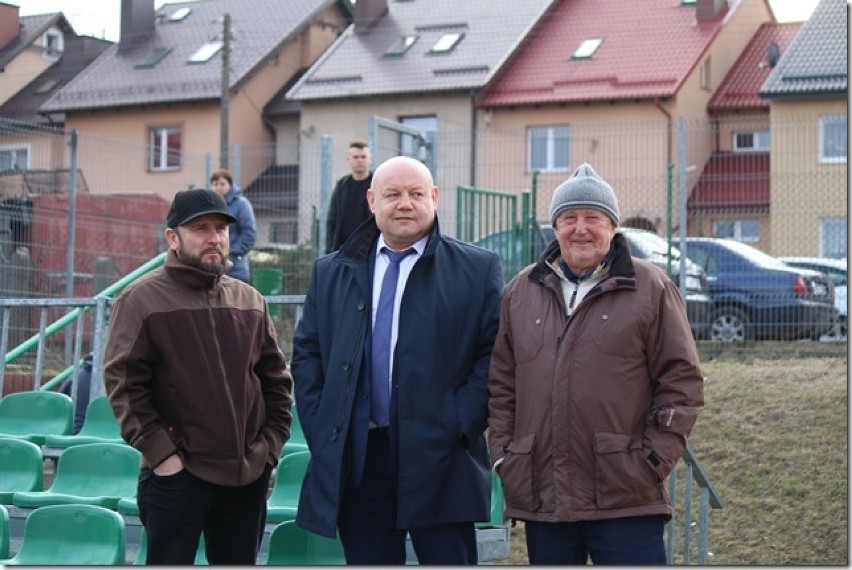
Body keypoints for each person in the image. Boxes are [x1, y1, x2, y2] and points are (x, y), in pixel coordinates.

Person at [487, 163, 704, 565]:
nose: (580, 228)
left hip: (625, 497)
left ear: (613, 226)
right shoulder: (520, 292)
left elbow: (682, 381)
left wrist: (652, 460)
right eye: (569, 218)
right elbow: (502, 385)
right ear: (555, 227)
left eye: (593, 218)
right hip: (544, 498)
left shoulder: (650, 287)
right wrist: (506, 457)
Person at [291, 155, 504, 564]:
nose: (405, 203)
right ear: (372, 201)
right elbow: (308, 355)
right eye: (392, 194)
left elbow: (492, 357)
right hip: (360, 460)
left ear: (435, 198)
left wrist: (459, 423)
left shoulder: (477, 269)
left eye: (416, 194)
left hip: (441, 458)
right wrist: (323, 427)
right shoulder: (331, 272)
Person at [103, 188, 293, 565]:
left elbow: (276, 382)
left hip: (246, 476)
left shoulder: (249, 299)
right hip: (177, 477)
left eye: (221, 228)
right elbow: (124, 386)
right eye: (201, 228)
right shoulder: (140, 299)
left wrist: (268, 450)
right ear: (173, 238)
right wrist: (164, 458)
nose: (214, 238)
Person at [325, 138, 373, 253]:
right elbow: (332, 220)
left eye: (363, 157)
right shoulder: (341, 186)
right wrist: (330, 250)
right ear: (348, 159)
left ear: (370, 159)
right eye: (356, 157)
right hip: (344, 248)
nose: (360, 160)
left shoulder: (377, 184)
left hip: (370, 247)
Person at [210, 169, 256, 283]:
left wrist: (231, 252)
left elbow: (249, 233)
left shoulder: (241, 204)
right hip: (212, 267)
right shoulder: (208, 205)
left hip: (236, 268)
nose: (218, 187)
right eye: (215, 184)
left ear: (230, 185)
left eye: (222, 184)